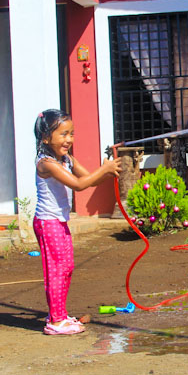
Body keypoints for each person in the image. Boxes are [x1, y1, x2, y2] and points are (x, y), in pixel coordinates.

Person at [33, 109, 121, 335]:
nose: (69, 139)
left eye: (71, 134)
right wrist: (104, 170)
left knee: (66, 268)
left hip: (59, 222)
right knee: (56, 270)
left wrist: (107, 171)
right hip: (47, 222)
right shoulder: (46, 163)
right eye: (63, 134)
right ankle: (55, 321)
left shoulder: (66, 159)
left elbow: (88, 178)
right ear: (45, 137)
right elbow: (79, 186)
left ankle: (59, 314)